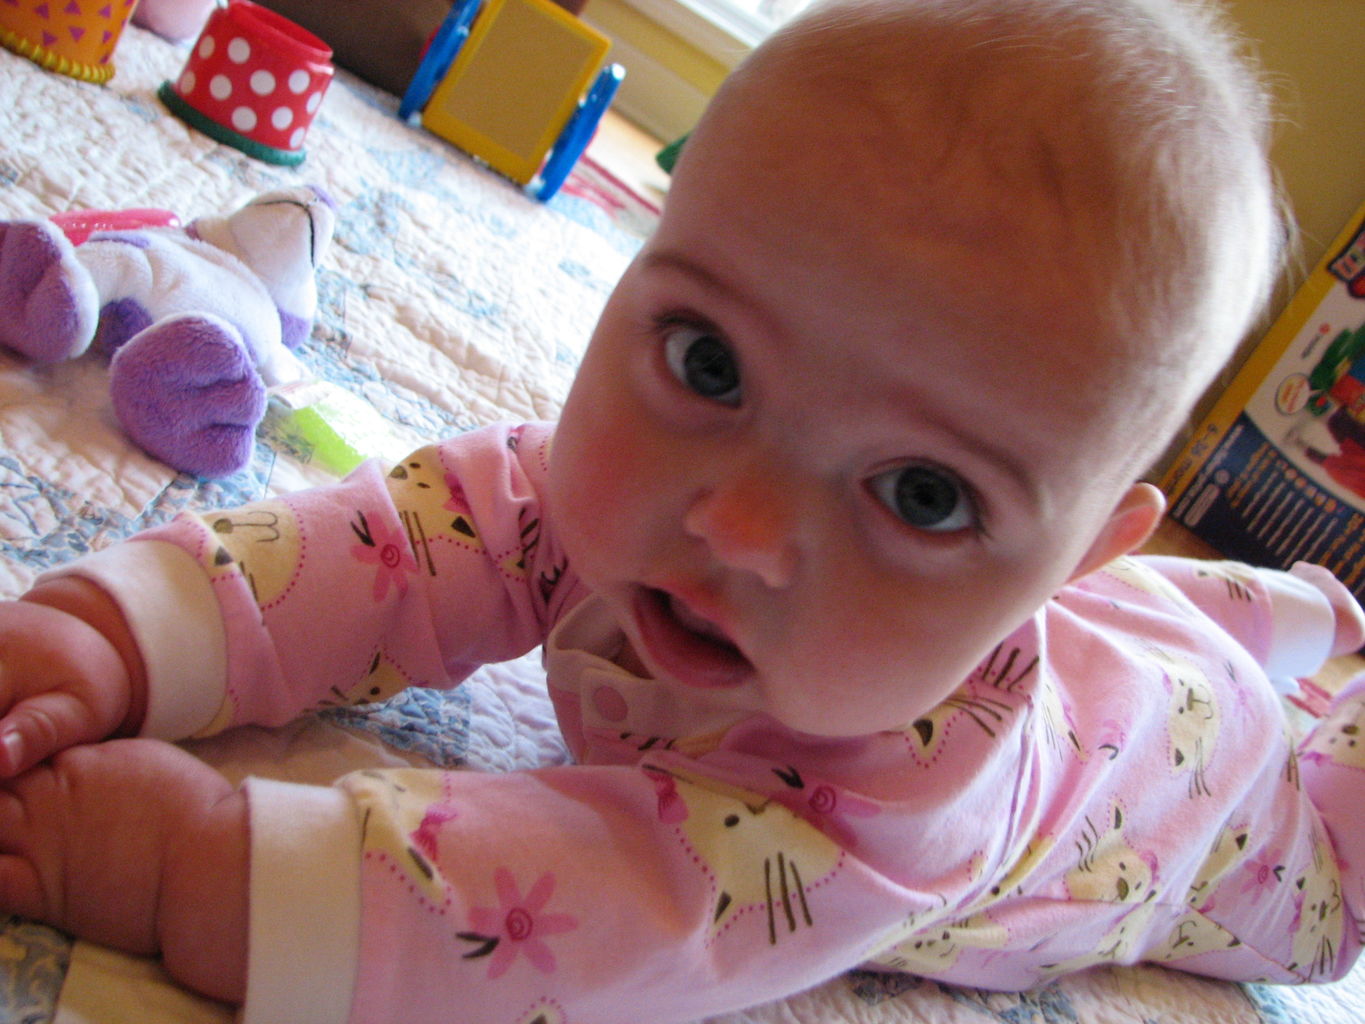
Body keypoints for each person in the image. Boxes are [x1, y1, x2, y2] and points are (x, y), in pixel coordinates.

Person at [2, 0, 1364, 1020]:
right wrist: (115, 629)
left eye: (924, 494)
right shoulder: (632, 487)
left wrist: (192, 864)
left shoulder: (889, 807)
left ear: (1064, 561)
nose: (743, 526)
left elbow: (596, 914)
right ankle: (1278, 624)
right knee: (1183, 638)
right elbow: (412, 544)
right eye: (710, 362)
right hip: (1135, 644)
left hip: (1214, 811)